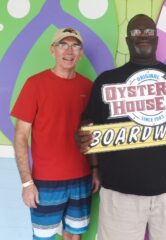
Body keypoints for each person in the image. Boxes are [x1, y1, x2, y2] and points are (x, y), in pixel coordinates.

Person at [79, 14, 166, 240]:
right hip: (119, 193)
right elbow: (88, 125)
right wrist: (88, 147)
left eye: (148, 32)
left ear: (156, 38)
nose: (142, 36)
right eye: (136, 32)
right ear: (127, 40)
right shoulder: (106, 81)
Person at [11, 28, 100, 240]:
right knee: (44, 237)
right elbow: (21, 136)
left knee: (74, 235)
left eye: (75, 45)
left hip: (81, 178)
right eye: (63, 44)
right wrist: (27, 183)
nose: (69, 51)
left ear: (80, 53)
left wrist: (95, 168)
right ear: (53, 50)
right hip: (46, 181)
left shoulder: (88, 87)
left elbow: (91, 133)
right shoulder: (34, 84)